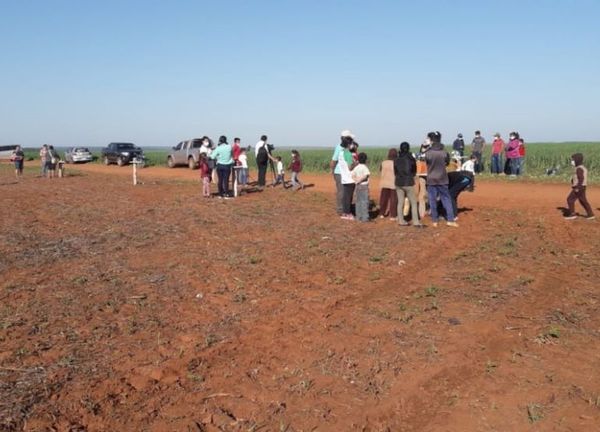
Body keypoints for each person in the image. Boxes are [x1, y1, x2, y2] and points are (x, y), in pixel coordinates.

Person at [425, 132, 458, 227]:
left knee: (432, 199)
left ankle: (434, 220)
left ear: (431, 140)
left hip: (431, 179)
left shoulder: (428, 153)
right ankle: (450, 220)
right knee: (446, 199)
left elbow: (425, 161)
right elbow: (447, 163)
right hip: (443, 179)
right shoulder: (445, 152)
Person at [394, 142, 421, 227]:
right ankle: (416, 222)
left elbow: (395, 171)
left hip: (398, 182)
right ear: (408, 148)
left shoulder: (396, 159)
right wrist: (411, 176)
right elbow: (414, 170)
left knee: (400, 202)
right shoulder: (411, 158)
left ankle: (401, 221)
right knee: (413, 202)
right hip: (408, 182)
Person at [331, 130, 355, 215]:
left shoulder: (350, 147)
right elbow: (334, 160)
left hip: (348, 172)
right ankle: (340, 209)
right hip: (340, 172)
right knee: (341, 191)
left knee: (348, 191)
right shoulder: (339, 147)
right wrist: (332, 171)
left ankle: (347, 207)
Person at [564, 153, 594, 220]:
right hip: (583, 187)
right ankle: (590, 214)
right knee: (583, 200)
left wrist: (577, 187)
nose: (572, 161)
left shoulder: (579, 169)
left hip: (579, 187)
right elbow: (580, 178)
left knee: (570, 199)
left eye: (573, 160)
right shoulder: (582, 167)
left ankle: (572, 214)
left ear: (577, 160)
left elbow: (581, 179)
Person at [338, 136, 356, 220]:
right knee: (348, 197)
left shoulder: (341, 152)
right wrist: (356, 163)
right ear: (349, 144)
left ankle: (345, 213)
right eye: (351, 143)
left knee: (345, 196)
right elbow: (350, 167)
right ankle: (348, 214)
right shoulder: (348, 154)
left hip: (344, 177)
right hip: (350, 178)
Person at [378, 148, 398, 219]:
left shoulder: (383, 162)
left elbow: (380, 170)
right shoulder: (396, 162)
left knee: (383, 199)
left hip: (384, 182)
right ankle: (393, 215)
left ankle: (381, 213)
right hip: (393, 183)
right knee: (393, 199)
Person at [351, 152, 370, 222]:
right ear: (365, 160)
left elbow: (352, 175)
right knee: (364, 201)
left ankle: (358, 217)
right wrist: (359, 180)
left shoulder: (356, 167)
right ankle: (365, 218)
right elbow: (366, 176)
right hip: (364, 186)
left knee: (358, 201)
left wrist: (356, 180)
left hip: (358, 186)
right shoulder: (365, 167)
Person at [415, 142, 429, 219]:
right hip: (422, 175)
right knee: (422, 193)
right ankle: (422, 212)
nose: (425, 148)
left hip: (430, 175)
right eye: (424, 146)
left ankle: (428, 210)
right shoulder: (418, 154)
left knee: (429, 193)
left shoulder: (430, 154)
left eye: (426, 146)